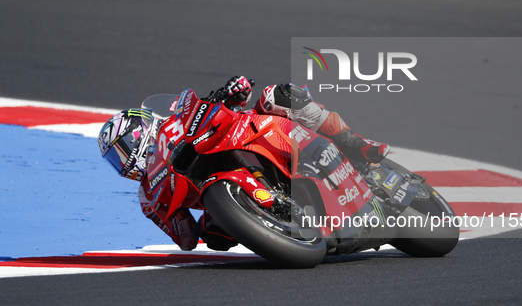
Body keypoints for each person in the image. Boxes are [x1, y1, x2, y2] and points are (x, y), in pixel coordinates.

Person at [98, 76, 390, 252]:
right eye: (115, 160)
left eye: (123, 150)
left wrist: (229, 92)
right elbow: (186, 240)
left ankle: (355, 144)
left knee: (278, 95)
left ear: (141, 130)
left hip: (244, 136)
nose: (123, 162)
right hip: (219, 191)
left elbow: (218, 104)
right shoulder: (148, 197)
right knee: (215, 237)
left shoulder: (174, 121)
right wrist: (176, 219)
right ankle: (283, 222)